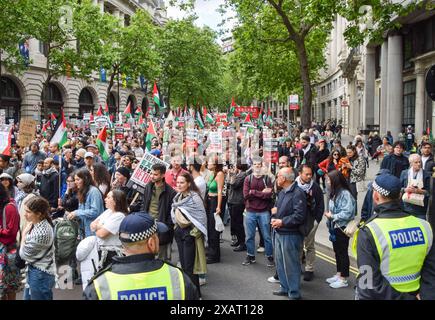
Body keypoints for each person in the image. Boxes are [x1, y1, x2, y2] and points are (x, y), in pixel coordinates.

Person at [84, 212, 199, 300]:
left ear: (123, 245)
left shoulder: (99, 285)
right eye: (157, 235)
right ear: (151, 243)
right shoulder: (177, 278)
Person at [354, 173, 435, 300]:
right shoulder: (425, 227)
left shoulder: (369, 231)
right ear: (399, 195)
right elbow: (431, 272)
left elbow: (368, 286)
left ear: (375, 196)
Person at [271, 167, 307, 300]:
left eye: (278, 176)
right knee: (280, 263)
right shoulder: (282, 192)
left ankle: (294, 293)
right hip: (279, 232)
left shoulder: (298, 193)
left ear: (284, 178)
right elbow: (281, 209)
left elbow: (299, 216)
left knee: (291, 264)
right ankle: (284, 288)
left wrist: (282, 221)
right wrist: (275, 215)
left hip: (291, 235)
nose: (277, 178)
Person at [171, 172, 207, 296]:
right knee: (183, 264)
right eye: (178, 182)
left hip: (189, 234)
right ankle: (190, 292)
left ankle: (196, 294)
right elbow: (174, 212)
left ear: (189, 184)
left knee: (190, 266)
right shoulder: (177, 197)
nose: (179, 185)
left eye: (182, 183)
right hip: (179, 233)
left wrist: (194, 233)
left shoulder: (195, 197)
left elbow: (201, 218)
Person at [324, 170, 356, 289]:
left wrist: (332, 216)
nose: (327, 181)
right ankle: (339, 274)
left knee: (342, 253)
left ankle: (344, 279)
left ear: (335, 181)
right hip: (335, 227)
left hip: (342, 227)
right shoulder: (335, 192)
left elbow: (348, 212)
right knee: (337, 252)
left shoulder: (345, 193)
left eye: (329, 180)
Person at [19, 196, 55, 300]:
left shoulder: (41, 233)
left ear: (39, 214)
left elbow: (23, 254)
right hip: (36, 271)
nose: (25, 214)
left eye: (28, 212)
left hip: (41, 274)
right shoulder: (37, 224)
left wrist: (24, 235)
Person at [242, 157, 274, 267]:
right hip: (250, 211)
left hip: (264, 211)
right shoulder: (248, 179)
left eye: (259, 164)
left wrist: (253, 192)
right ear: (252, 166)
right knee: (249, 236)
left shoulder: (267, 179)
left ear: (262, 166)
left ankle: (270, 257)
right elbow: (246, 195)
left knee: (267, 237)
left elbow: (269, 195)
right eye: (255, 164)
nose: (257, 166)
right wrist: (261, 193)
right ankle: (250, 256)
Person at [141, 163, 177, 261]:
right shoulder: (148, 186)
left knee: (162, 257)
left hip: (162, 226)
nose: (152, 176)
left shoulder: (171, 192)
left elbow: (172, 213)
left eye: (155, 174)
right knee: (147, 254)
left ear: (162, 175)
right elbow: (144, 203)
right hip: (147, 224)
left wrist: (168, 227)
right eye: (151, 173)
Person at [297, 165, 324, 282]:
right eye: (306, 174)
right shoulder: (294, 185)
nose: (309, 176)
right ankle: (297, 267)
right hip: (297, 221)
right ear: (299, 174)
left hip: (311, 221)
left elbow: (320, 205)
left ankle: (309, 269)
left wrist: (317, 220)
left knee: (309, 246)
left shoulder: (316, 188)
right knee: (297, 245)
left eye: (310, 174)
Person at [90, 190, 128, 269]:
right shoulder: (108, 211)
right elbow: (92, 225)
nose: (105, 199)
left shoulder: (119, 216)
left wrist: (99, 227)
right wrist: (101, 226)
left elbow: (102, 234)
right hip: (101, 251)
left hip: (112, 254)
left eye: (108, 197)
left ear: (115, 201)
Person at [66, 169, 105, 238]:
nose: (75, 182)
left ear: (85, 179)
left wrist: (77, 213)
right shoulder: (82, 191)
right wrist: (73, 215)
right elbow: (83, 212)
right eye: (75, 180)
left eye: (78, 180)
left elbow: (95, 211)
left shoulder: (94, 191)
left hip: (92, 232)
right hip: (83, 231)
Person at [0, 184, 20, 300]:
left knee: (10, 286)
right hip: (2, 250)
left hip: (8, 250)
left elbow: (12, 232)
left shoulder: (10, 207)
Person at [205, 156, 225, 264]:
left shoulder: (220, 174)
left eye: (210, 162)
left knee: (214, 230)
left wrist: (218, 206)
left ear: (216, 164)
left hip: (214, 201)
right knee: (209, 227)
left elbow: (219, 191)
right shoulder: (212, 174)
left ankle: (215, 255)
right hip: (209, 201)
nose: (208, 163)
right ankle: (211, 250)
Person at [400, 154, 431, 220]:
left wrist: (418, 191)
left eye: (420, 162)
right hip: (407, 206)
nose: (419, 164)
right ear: (411, 163)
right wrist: (405, 189)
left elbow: (429, 192)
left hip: (420, 207)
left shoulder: (426, 174)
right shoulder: (404, 173)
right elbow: (399, 188)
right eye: (416, 162)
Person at [228, 162, 248, 252]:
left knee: (238, 223)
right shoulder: (238, 174)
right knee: (235, 222)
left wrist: (232, 174)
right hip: (233, 200)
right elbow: (228, 182)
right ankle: (239, 241)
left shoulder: (243, 175)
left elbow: (233, 184)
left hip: (238, 201)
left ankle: (242, 243)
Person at [345, 145, 366, 211]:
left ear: (354, 151)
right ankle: (348, 212)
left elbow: (361, 172)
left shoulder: (360, 159)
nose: (348, 154)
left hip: (354, 181)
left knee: (353, 198)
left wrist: (350, 167)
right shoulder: (346, 158)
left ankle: (353, 213)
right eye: (347, 152)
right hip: (346, 179)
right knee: (346, 197)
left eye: (350, 152)